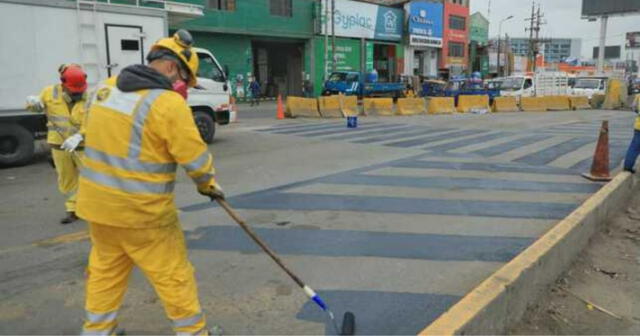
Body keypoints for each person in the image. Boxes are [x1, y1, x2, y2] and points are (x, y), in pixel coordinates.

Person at [73, 30, 223, 336]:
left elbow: (94, 136)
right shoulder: (167, 102)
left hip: (98, 209)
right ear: (171, 68)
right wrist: (207, 185)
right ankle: (193, 333)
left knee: (106, 273)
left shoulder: (105, 89)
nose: (184, 84)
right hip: (144, 214)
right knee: (173, 275)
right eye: (184, 77)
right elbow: (193, 156)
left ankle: (97, 331)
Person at [26, 64, 88, 224]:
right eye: (73, 89)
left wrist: (80, 136)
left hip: (83, 145)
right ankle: (72, 210)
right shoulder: (49, 92)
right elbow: (35, 109)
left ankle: (94, 208)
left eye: (79, 89)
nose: (77, 93)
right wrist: (33, 104)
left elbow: (94, 120)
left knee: (92, 177)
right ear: (63, 84)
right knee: (66, 178)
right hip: (59, 144)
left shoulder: (89, 96)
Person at [623, 94, 640, 173]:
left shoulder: (638, 96)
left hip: (639, 125)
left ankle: (628, 166)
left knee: (634, 147)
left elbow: (634, 108)